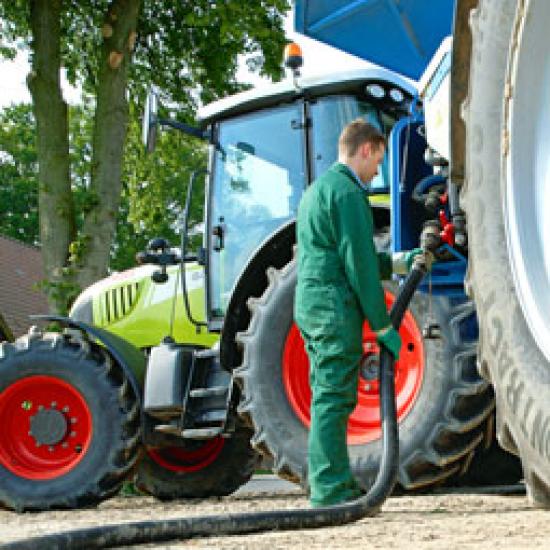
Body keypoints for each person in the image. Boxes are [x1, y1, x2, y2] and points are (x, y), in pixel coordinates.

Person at [294, 119, 421, 508]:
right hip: (332, 306)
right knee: (333, 397)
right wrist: (383, 326)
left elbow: (344, 254)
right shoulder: (349, 194)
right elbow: (359, 265)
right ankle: (329, 488)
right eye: (378, 161)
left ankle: (332, 480)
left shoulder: (317, 191)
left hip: (312, 303)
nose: (376, 171)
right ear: (366, 148)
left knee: (326, 395)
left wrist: (398, 264)